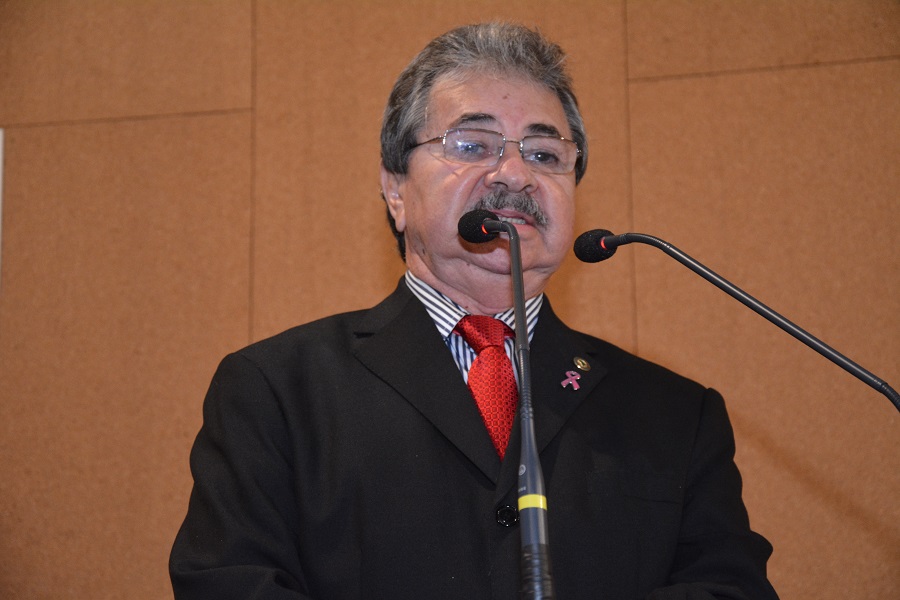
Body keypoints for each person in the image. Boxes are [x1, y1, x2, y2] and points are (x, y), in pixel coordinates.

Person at [170, 22, 779, 600]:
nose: (515, 174)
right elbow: (230, 584)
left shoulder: (676, 415)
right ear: (395, 190)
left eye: (545, 155)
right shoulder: (277, 392)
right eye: (473, 145)